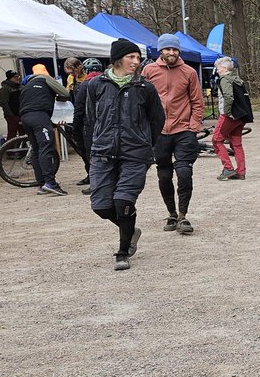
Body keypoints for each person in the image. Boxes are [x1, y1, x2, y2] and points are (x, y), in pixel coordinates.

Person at [83, 38, 164, 270]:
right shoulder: (96, 85)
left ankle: (122, 251)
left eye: (138, 58)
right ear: (117, 59)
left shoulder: (145, 87)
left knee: (123, 202)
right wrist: (95, 146)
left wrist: (147, 147)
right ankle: (130, 229)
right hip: (103, 152)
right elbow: (91, 119)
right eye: (131, 57)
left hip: (135, 154)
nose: (136, 62)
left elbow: (157, 120)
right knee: (100, 206)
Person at [143, 33, 204, 234]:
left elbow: (197, 101)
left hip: (183, 129)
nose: (171, 52)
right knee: (164, 174)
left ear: (179, 51)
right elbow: (141, 100)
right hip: (159, 132)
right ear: (161, 50)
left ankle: (183, 216)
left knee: (185, 172)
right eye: (167, 49)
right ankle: (171, 213)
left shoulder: (188, 72)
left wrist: (193, 126)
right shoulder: (149, 71)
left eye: (175, 49)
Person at [17, 63, 70, 195]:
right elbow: (65, 93)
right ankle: (50, 183)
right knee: (46, 147)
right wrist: (59, 97)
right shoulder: (44, 78)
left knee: (36, 150)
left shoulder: (26, 84)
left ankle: (41, 183)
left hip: (25, 117)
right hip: (39, 116)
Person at [212, 56, 253, 181]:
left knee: (216, 140)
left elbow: (229, 97)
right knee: (236, 144)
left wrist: (227, 113)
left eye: (218, 68)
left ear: (224, 68)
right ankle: (241, 171)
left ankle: (228, 168)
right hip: (241, 116)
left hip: (230, 115)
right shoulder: (238, 80)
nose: (217, 70)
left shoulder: (225, 79)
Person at [72, 59, 105, 195]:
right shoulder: (108, 82)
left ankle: (95, 184)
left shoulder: (85, 85)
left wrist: (75, 127)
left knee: (91, 154)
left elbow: (79, 108)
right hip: (107, 124)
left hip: (90, 125)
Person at [0, 70, 22, 142]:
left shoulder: (21, 87)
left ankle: (23, 150)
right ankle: (9, 150)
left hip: (21, 114)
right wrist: (11, 115)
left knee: (24, 133)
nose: (17, 78)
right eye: (15, 77)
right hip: (12, 116)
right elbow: (4, 103)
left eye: (18, 76)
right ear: (10, 78)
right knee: (12, 134)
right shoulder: (4, 89)